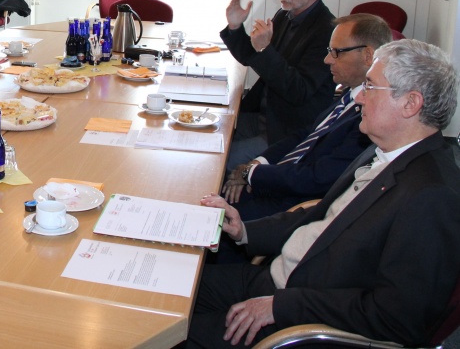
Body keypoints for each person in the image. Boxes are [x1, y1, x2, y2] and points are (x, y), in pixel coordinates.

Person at [186, 39, 460, 348]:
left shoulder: (432, 196)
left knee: (168, 332)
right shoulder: (382, 149)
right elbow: (320, 215)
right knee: (168, 285)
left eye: (370, 87)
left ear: (411, 103)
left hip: (300, 317)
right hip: (276, 280)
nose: (359, 98)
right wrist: (245, 230)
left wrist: (280, 307)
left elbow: (397, 317)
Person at [220, 14, 391, 223]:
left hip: (292, 207)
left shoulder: (368, 118)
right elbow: (306, 135)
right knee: (213, 189)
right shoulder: (350, 94)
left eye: (336, 52)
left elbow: (318, 178)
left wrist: (252, 174)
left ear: (367, 55)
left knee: (210, 204)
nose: (327, 60)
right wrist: (257, 163)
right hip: (281, 178)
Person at [222, 0, 336, 170]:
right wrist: (235, 27)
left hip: (285, 131)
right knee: (212, 129)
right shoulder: (285, 16)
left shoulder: (326, 31)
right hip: (263, 116)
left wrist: (265, 49)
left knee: (218, 159)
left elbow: (298, 90)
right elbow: (252, 57)